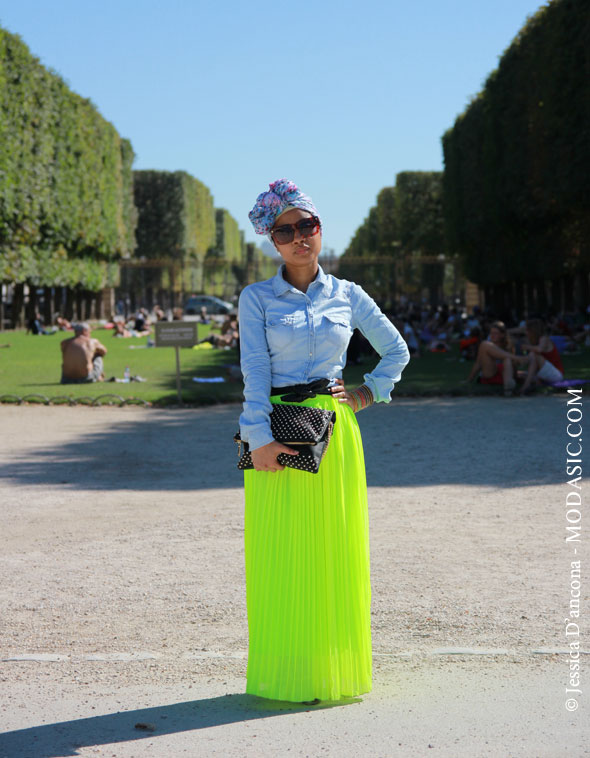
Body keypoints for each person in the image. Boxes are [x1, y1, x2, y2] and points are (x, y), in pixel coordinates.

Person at [239, 179, 410, 705]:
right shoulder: (257, 298)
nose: (298, 238)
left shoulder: (348, 295)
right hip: (280, 433)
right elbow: (254, 371)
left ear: (319, 229)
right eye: (284, 230)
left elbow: (397, 350)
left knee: (333, 548)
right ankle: (291, 668)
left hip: (335, 433)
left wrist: (367, 394)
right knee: (285, 551)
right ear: (272, 240)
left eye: (306, 226)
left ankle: (333, 667)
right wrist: (258, 438)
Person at [465, 320, 517, 395]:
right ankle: (508, 386)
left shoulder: (508, 347)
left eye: (495, 333)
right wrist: (469, 380)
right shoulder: (487, 347)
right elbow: (478, 363)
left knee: (507, 360)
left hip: (503, 376)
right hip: (490, 373)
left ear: (502, 335)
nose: (492, 336)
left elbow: (513, 365)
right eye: (491, 333)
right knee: (486, 346)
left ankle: (508, 390)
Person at [514, 317, 564, 393]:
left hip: (556, 375)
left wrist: (526, 347)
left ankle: (526, 386)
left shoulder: (544, 338)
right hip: (544, 374)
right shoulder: (535, 342)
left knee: (535, 355)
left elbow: (540, 349)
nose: (526, 333)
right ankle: (536, 383)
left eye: (527, 330)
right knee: (516, 373)